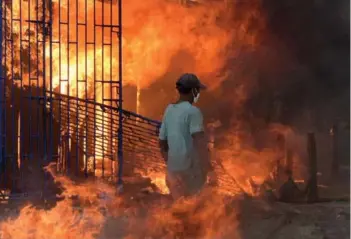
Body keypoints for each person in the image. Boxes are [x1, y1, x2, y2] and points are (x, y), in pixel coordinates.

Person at [158, 73, 214, 200]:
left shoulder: (169, 110)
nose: (198, 93)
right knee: (195, 210)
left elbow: (162, 143)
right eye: (198, 90)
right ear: (193, 91)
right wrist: (209, 168)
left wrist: (171, 163)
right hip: (191, 173)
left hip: (172, 173)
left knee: (179, 211)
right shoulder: (193, 112)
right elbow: (199, 141)